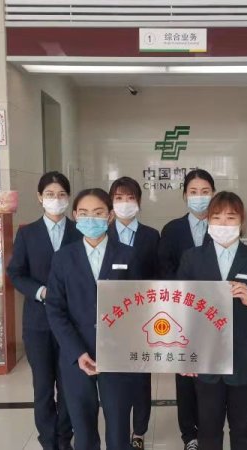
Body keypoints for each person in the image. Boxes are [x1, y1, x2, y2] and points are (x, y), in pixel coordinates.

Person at [176, 191, 247, 450]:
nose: (223, 224)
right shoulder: (192, 257)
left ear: (242, 221)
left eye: (231, 217)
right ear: (208, 221)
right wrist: (184, 354)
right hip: (205, 358)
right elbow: (179, 308)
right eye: (217, 217)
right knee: (208, 427)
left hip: (245, 356)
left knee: (243, 426)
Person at [46, 188, 140, 450]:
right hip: (77, 354)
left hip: (117, 354)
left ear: (110, 216)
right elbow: (55, 309)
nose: (91, 219)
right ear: (75, 216)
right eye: (84, 213)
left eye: (98, 213)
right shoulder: (63, 258)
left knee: (119, 424)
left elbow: (139, 305)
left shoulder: (128, 255)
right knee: (83, 427)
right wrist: (77, 352)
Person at [7, 171, 80, 450]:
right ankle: (48, 441)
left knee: (69, 385)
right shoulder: (27, 233)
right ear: (39, 198)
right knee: (43, 387)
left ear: (68, 197)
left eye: (61, 194)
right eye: (50, 194)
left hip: (73, 323)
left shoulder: (79, 231)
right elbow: (16, 273)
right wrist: (41, 291)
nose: (56, 199)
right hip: (38, 323)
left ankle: (64, 438)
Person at [158, 168, 216, 450]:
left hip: (214, 312)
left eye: (205, 191)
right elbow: (164, 268)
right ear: (184, 195)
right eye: (193, 192)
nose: (199, 197)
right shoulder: (172, 230)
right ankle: (189, 434)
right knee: (184, 374)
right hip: (180, 312)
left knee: (210, 373)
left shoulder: (223, 225)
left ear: (213, 194)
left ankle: (210, 431)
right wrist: (185, 296)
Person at [107, 176, 160, 449]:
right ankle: (117, 429)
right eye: (118, 198)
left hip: (142, 318)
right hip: (110, 319)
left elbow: (158, 276)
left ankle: (139, 431)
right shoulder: (102, 233)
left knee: (141, 377)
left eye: (130, 198)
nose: (124, 203)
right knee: (115, 378)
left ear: (139, 202)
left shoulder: (151, 236)